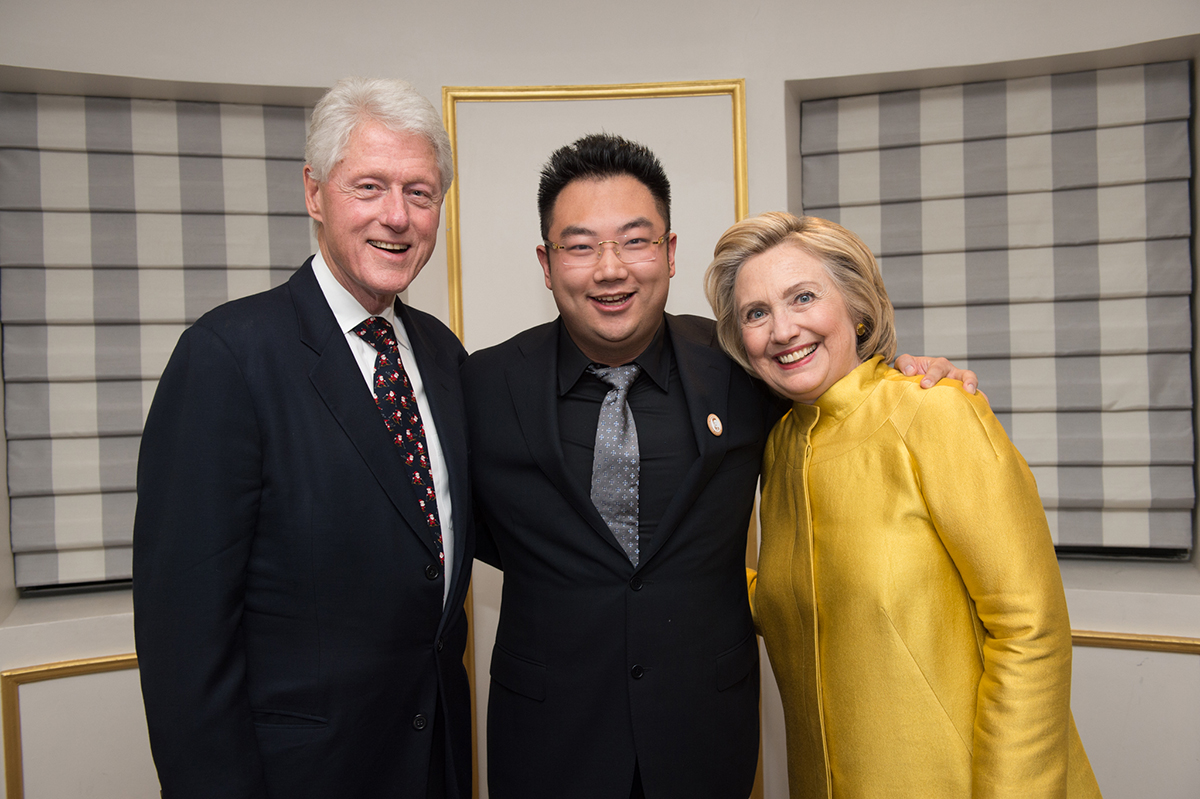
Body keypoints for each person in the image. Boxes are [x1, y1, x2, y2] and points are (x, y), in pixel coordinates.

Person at [463, 134, 974, 799]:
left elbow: (837, 408)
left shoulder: (741, 365)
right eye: (580, 245)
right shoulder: (482, 385)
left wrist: (904, 373)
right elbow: (460, 528)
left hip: (706, 734)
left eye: (636, 240)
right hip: (547, 740)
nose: (610, 269)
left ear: (671, 253)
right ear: (546, 261)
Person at [133, 77, 473, 799]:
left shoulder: (444, 357)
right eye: (369, 186)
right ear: (314, 193)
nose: (397, 216)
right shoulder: (227, 356)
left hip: (433, 765)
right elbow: (184, 641)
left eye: (420, 192)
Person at [704, 211, 1102, 798]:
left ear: (858, 308)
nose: (782, 329)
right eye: (756, 313)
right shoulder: (780, 449)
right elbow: (792, 597)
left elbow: (1030, 631)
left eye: (803, 297)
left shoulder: (934, 411)